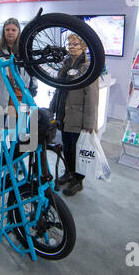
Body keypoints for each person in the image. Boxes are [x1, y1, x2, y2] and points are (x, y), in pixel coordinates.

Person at [49, 33, 99, 196]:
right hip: (65, 114)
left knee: (78, 150)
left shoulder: (88, 67)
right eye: (69, 44)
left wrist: (90, 124)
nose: (71, 47)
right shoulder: (65, 65)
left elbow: (92, 97)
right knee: (68, 148)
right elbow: (59, 88)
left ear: (83, 47)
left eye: (75, 44)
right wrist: (52, 108)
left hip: (78, 116)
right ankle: (69, 173)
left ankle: (78, 181)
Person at [0, 18, 37, 162]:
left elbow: (33, 73)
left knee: (17, 134)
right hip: (0, 98)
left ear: (18, 31)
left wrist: (32, 92)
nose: (10, 32)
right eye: (7, 30)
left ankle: (15, 162)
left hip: (20, 99)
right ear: (3, 31)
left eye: (13, 30)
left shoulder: (25, 50)